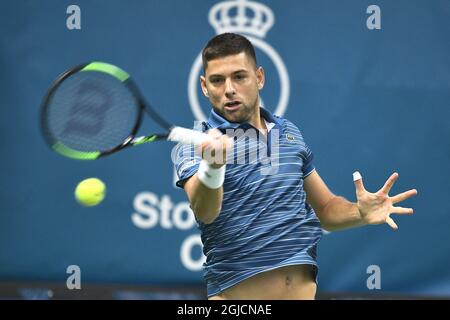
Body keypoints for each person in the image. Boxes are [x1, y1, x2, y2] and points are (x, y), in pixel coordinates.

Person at [174, 33, 417, 300]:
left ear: (260, 78)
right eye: (217, 80)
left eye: (239, 77)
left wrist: (360, 212)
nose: (229, 89)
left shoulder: (288, 132)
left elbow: (325, 208)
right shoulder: (196, 142)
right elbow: (205, 211)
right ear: (204, 86)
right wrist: (213, 166)